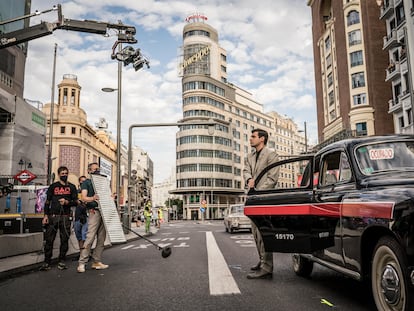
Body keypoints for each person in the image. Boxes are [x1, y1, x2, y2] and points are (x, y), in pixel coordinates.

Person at [243, 129, 279, 279]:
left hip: (264, 198)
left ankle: (267, 267)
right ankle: (262, 260)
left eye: (253, 136)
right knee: (255, 233)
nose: (250, 139)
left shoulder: (271, 155)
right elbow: (246, 171)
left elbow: (272, 179)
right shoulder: (249, 156)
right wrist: (248, 179)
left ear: (262, 139)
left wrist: (257, 191)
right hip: (252, 199)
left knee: (262, 232)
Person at [40, 166, 78, 271]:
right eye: (62, 173)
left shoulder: (72, 187)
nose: (64, 175)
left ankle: (61, 260)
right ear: (59, 174)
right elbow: (47, 202)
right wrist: (45, 216)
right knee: (49, 240)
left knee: (64, 240)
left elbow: (76, 202)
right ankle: (47, 262)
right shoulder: (53, 187)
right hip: (53, 217)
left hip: (65, 217)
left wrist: (67, 202)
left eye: (66, 173)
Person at [77, 162, 109, 273]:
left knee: (101, 239)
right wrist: (93, 198)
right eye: (94, 169)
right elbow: (84, 197)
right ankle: (82, 262)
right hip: (93, 212)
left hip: (103, 211)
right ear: (89, 171)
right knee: (90, 237)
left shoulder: (102, 183)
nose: (97, 171)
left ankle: (96, 261)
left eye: (98, 169)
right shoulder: (86, 183)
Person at [74, 176, 88, 250]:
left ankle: (85, 253)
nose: (83, 183)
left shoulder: (89, 193)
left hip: (86, 216)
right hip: (78, 216)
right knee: (79, 236)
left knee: (84, 235)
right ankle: (81, 253)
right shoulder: (76, 192)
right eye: (82, 181)